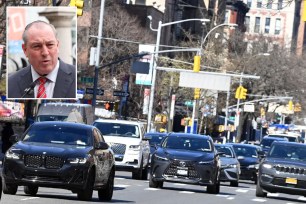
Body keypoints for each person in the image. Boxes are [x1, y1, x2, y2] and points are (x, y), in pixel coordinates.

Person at [7, 20, 76, 99]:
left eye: (50, 45)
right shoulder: (11, 83)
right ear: (25, 50)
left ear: (57, 46)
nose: (45, 53)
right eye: (37, 46)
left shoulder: (75, 78)